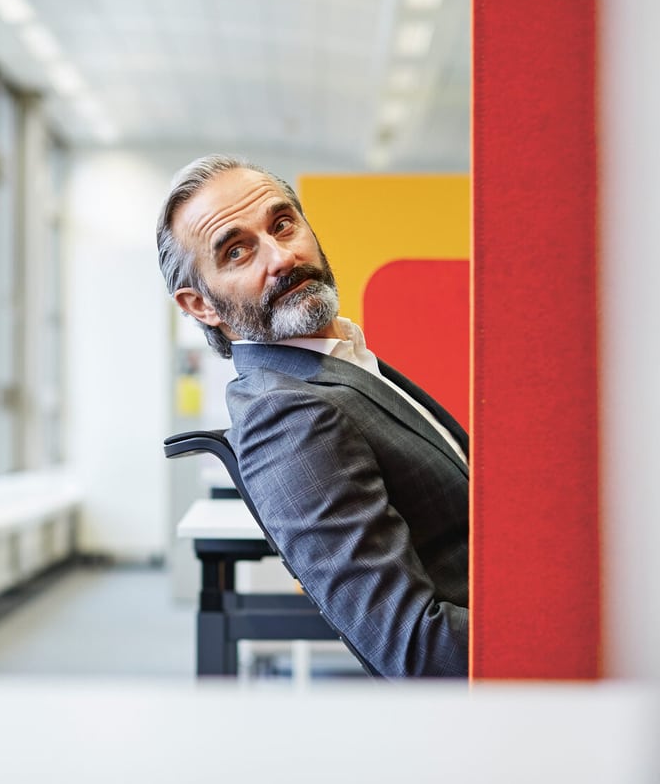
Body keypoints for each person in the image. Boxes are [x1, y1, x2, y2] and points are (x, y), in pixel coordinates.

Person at [156, 154, 469, 678]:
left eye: (282, 224)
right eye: (237, 252)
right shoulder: (287, 416)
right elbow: (416, 648)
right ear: (201, 306)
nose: (280, 257)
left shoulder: (336, 358)